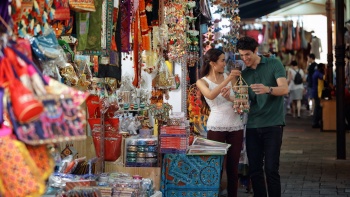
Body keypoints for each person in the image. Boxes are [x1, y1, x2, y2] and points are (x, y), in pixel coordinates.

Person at [236, 36, 289, 197]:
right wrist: (232, 98)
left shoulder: (274, 63)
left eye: (247, 55)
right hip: (253, 125)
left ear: (255, 51)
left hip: (273, 124)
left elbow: (284, 89)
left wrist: (268, 89)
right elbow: (244, 102)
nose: (244, 59)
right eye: (241, 55)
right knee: (255, 170)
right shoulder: (244, 74)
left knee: (271, 168)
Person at [196, 48, 244, 197]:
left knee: (233, 167)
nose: (225, 63)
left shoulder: (232, 77)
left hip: (235, 125)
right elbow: (210, 95)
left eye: (225, 60)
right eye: (222, 60)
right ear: (212, 63)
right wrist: (228, 79)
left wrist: (230, 98)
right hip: (216, 126)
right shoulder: (201, 81)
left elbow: (241, 101)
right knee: (215, 165)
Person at [311, 63, 326, 128]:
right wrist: (326, 71)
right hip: (317, 92)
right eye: (323, 67)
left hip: (317, 92)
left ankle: (316, 122)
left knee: (317, 108)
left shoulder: (316, 73)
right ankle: (315, 122)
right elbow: (323, 77)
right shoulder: (317, 73)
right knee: (317, 108)